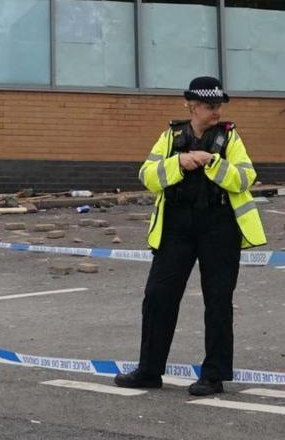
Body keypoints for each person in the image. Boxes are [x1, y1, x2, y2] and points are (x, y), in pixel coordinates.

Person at [113, 76, 266, 398]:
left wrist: (213, 164)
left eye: (219, 106)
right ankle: (149, 370)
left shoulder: (230, 138)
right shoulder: (170, 136)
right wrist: (180, 162)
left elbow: (245, 178)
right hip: (177, 226)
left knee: (218, 301)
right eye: (211, 107)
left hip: (219, 226)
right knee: (158, 297)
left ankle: (213, 375)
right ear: (193, 107)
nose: (216, 112)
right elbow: (147, 176)